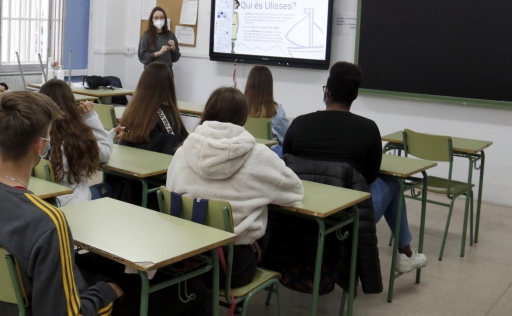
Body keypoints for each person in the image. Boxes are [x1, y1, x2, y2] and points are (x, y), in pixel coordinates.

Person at [0, 91, 210, 316]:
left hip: (18, 304)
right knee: (193, 292)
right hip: (75, 306)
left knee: (106, 265)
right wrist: (112, 289)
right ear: (40, 147)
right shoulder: (48, 223)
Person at [283, 61, 428, 274]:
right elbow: (369, 176)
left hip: (301, 210)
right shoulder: (368, 129)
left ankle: (405, 252)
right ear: (355, 96)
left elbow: (288, 165)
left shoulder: (299, 124)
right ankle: (405, 252)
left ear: (327, 93)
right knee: (395, 183)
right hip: (347, 215)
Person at [167, 87, 304, 288]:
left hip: (185, 260)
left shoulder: (183, 150)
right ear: (244, 119)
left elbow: (172, 194)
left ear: (207, 114)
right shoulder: (259, 156)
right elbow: (294, 192)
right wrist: (246, 230)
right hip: (232, 267)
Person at [38, 79, 118, 205]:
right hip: (73, 203)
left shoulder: (34, 135)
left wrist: (112, 134)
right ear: (70, 103)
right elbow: (104, 155)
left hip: (44, 202)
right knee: (108, 188)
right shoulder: (78, 136)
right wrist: (90, 117)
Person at [119, 62, 187, 154]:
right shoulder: (166, 114)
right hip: (155, 165)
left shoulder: (131, 109)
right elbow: (178, 144)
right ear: (168, 85)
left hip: (130, 160)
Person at [244, 65, 289, 157]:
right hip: (270, 154)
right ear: (269, 86)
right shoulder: (277, 112)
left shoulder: (241, 108)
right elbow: (288, 138)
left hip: (247, 151)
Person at [138, 7, 180, 75]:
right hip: (151, 71)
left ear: (165, 19)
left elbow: (176, 58)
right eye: (156, 18)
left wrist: (174, 48)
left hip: (167, 72)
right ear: (152, 20)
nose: (159, 20)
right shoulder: (146, 35)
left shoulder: (170, 35)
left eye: (162, 17)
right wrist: (159, 53)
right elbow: (142, 57)